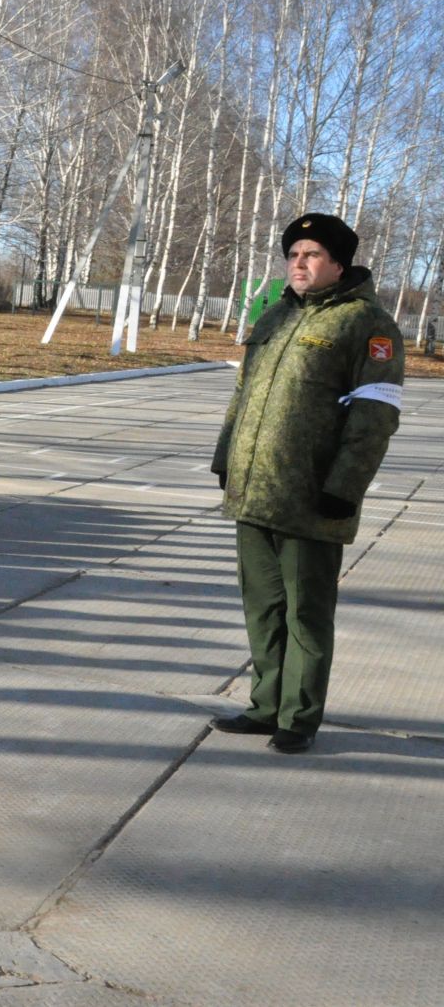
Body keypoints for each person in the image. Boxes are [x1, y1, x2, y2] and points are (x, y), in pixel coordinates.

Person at [209, 212, 403, 755]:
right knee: (262, 608)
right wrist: (226, 457)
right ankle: (265, 705)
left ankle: (300, 717)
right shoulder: (273, 317)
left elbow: (376, 415)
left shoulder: (369, 324)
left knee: (306, 615)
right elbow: (243, 395)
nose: (299, 262)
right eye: (293, 254)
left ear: (339, 264)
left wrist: (345, 487)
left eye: (311, 254)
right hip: (254, 492)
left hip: (313, 497)